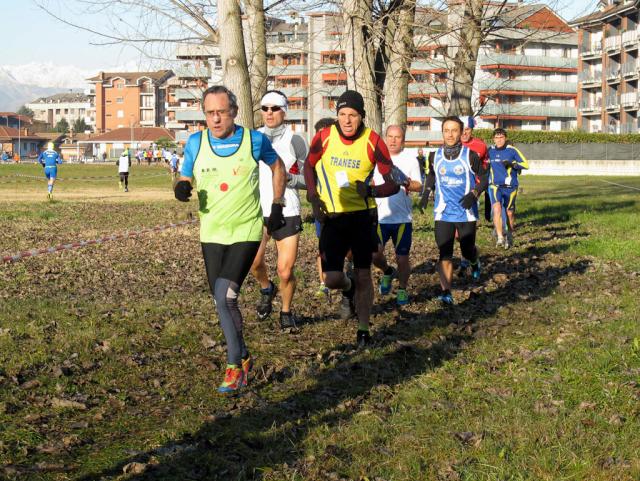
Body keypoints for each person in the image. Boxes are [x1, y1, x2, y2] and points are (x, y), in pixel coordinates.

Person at [174, 85, 286, 393]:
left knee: (225, 296)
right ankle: (244, 354)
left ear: (233, 112)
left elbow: (279, 168)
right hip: (212, 232)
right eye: (209, 113)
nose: (215, 119)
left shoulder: (254, 140)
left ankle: (234, 366)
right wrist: (181, 187)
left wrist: (277, 204)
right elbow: (184, 176)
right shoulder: (196, 142)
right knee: (221, 300)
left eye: (221, 112)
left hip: (246, 230)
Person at [304, 90, 399, 347]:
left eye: (352, 115)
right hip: (333, 217)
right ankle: (348, 289)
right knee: (331, 279)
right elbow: (308, 165)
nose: (346, 120)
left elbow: (394, 184)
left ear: (361, 117)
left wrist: (370, 190)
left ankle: (364, 329)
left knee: (364, 274)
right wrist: (313, 198)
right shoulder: (324, 136)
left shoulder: (373, 141)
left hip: (362, 217)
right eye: (342, 115)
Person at [250, 90, 309, 329]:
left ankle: (286, 311)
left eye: (274, 108)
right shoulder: (253, 138)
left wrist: (288, 180)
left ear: (284, 110)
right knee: (253, 262)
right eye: (265, 108)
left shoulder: (296, 140)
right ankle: (267, 288)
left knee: (285, 271)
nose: (269, 113)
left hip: (287, 210)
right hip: (258, 211)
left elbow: (310, 179)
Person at [423, 116, 488, 305]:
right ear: (442, 132)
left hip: (465, 210)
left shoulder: (470, 155)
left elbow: (484, 178)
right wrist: (427, 192)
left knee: (467, 250)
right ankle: (446, 292)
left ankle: (474, 261)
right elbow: (432, 175)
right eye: (446, 130)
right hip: (443, 212)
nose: (450, 134)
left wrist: (475, 193)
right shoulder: (434, 155)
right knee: (445, 253)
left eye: (454, 130)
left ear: (461, 133)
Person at [372, 125, 422, 306]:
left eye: (397, 137)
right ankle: (386, 271)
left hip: (402, 219)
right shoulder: (377, 159)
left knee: (402, 258)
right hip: (380, 217)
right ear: (385, 138)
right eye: (390, 136)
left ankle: (402, 288)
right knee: (374, 254)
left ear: (403, 140)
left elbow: (419, 186)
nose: (393, 140)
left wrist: (405, 181)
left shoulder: (410, 160)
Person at [487, 128, 529, 249]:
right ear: (493, 139)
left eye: (501, 137)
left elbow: (526, 164)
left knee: (509, 213)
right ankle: (500, 237)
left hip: (511, 187)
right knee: (497, 209)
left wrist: (512, 164)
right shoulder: (490, 150)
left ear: (505, 138)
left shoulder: (512, 150)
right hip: (495, 186)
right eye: (497, 138)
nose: (499, 140)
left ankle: (509, 235)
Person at [310, 117, 336, 298]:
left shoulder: (341, 155)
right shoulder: (313, 159)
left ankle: (347, 269)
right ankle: (323, 284)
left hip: (344, 209)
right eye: (320, 135)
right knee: (322, 248)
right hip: (322, 211)